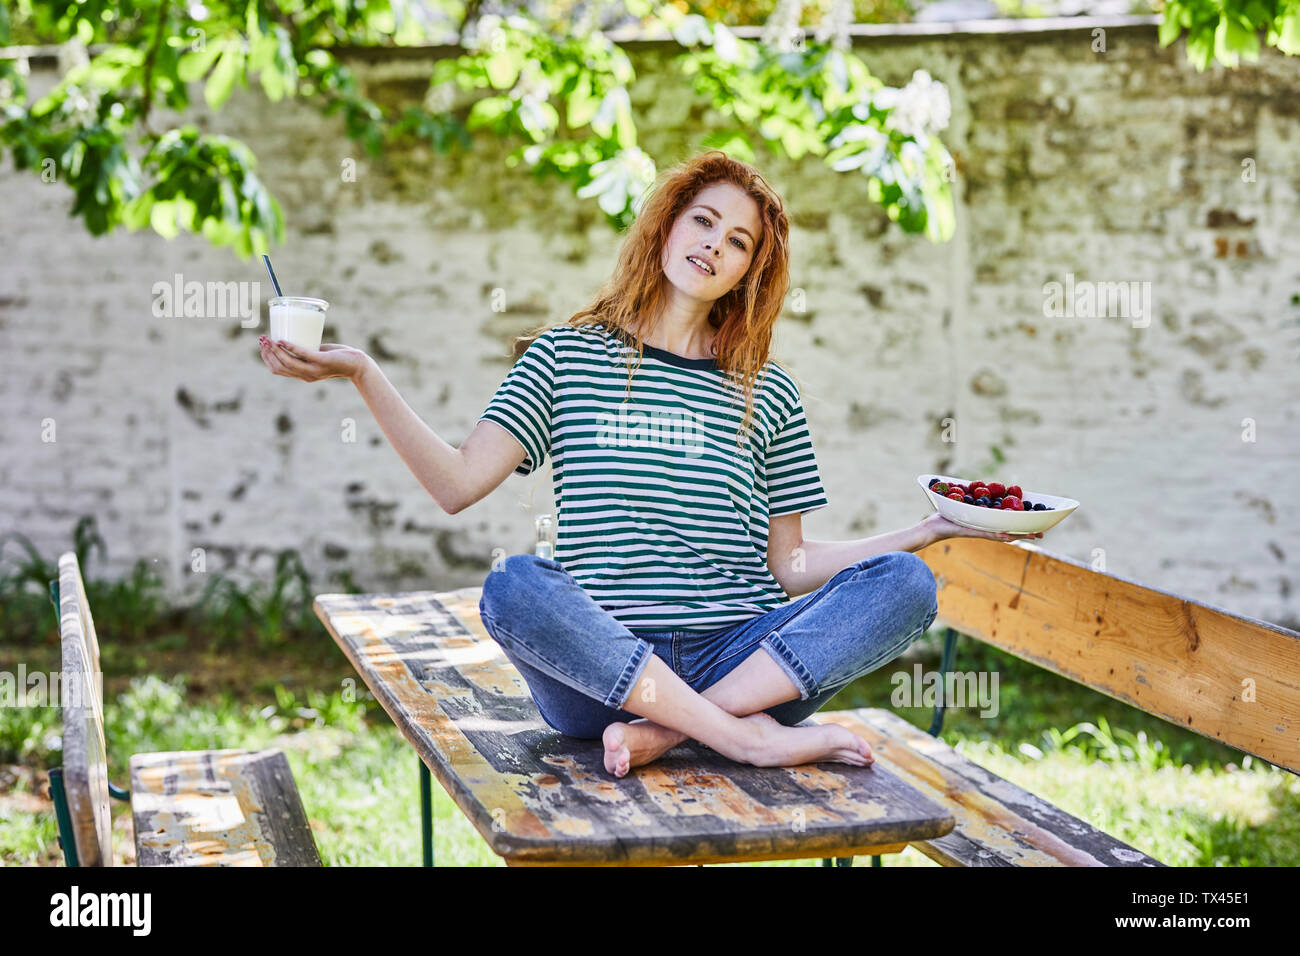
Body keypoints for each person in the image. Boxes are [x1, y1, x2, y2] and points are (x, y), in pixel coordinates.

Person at [258, 149, 1042, 779]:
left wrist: (934, 528)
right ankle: (742, 739)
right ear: (667, 227)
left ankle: (670, 735)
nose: (714, 245)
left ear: (748, 273)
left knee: (907, 583)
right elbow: (457, 484)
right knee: (513, 586)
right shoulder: (569, 356)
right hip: (602, 670)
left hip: (740, 653)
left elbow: (794, 565)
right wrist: (362, 371)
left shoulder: (768, 392)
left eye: (738, 242)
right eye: (703, 221)